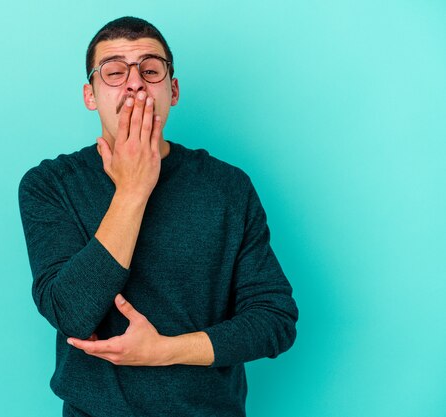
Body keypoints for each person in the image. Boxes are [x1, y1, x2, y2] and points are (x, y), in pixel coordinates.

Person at [18, 16, 298, 417]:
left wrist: (165, 351)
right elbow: (71, 314)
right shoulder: (50, 185)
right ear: (90, 95)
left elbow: (275, 320)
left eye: (150, 70)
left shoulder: (228, 187)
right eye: (114, 72)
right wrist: (133, 189)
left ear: (174, 90)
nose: (135, 83)